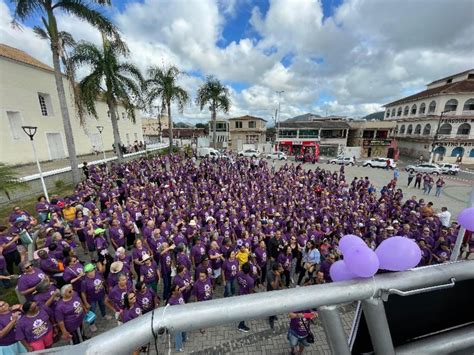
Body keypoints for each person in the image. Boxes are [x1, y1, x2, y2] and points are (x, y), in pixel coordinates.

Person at [80, 263, 110, 332]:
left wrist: (105, 292)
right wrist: (86, 303)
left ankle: (104, 315)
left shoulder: (97, 274)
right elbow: (83, 293)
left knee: (102, 305)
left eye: (94, 269)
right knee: (92, 311)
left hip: (101, 295)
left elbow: (102, 282)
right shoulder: (84, 282)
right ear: (88, 272)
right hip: (92, 299)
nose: (94, 270)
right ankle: (92, 324)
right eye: (92, 270)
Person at [167, 284, 186, 352]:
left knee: (184, 328)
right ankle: (178, 347)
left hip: (183, 315)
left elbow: (183, 302)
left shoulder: (180, 294)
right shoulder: (170, 301)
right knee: (178, 333)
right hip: (177, 319)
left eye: (179, 288)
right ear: (173, 292)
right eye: (177, 289)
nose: (180, 289)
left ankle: (184, 339)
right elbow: (169, 312)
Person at [236, 262, 254, 332]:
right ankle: (241, 325)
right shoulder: (251, 280)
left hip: (240, 292)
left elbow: (238, 281)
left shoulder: (239, 273)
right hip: (245, 297)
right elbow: (250, 291)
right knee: (244, 311)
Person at [267, 262, 283, 330]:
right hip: (271, 292)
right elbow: (273, 286)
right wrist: (277, 276)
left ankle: (274, 315)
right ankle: (271, 319)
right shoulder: (269, 274)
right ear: (275, 270)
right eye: (279, 269)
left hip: (277, 292)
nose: (281, 270)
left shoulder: (278, 273)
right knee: (271, 306)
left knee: (276, 305)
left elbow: (280, 283)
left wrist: (279, 276)